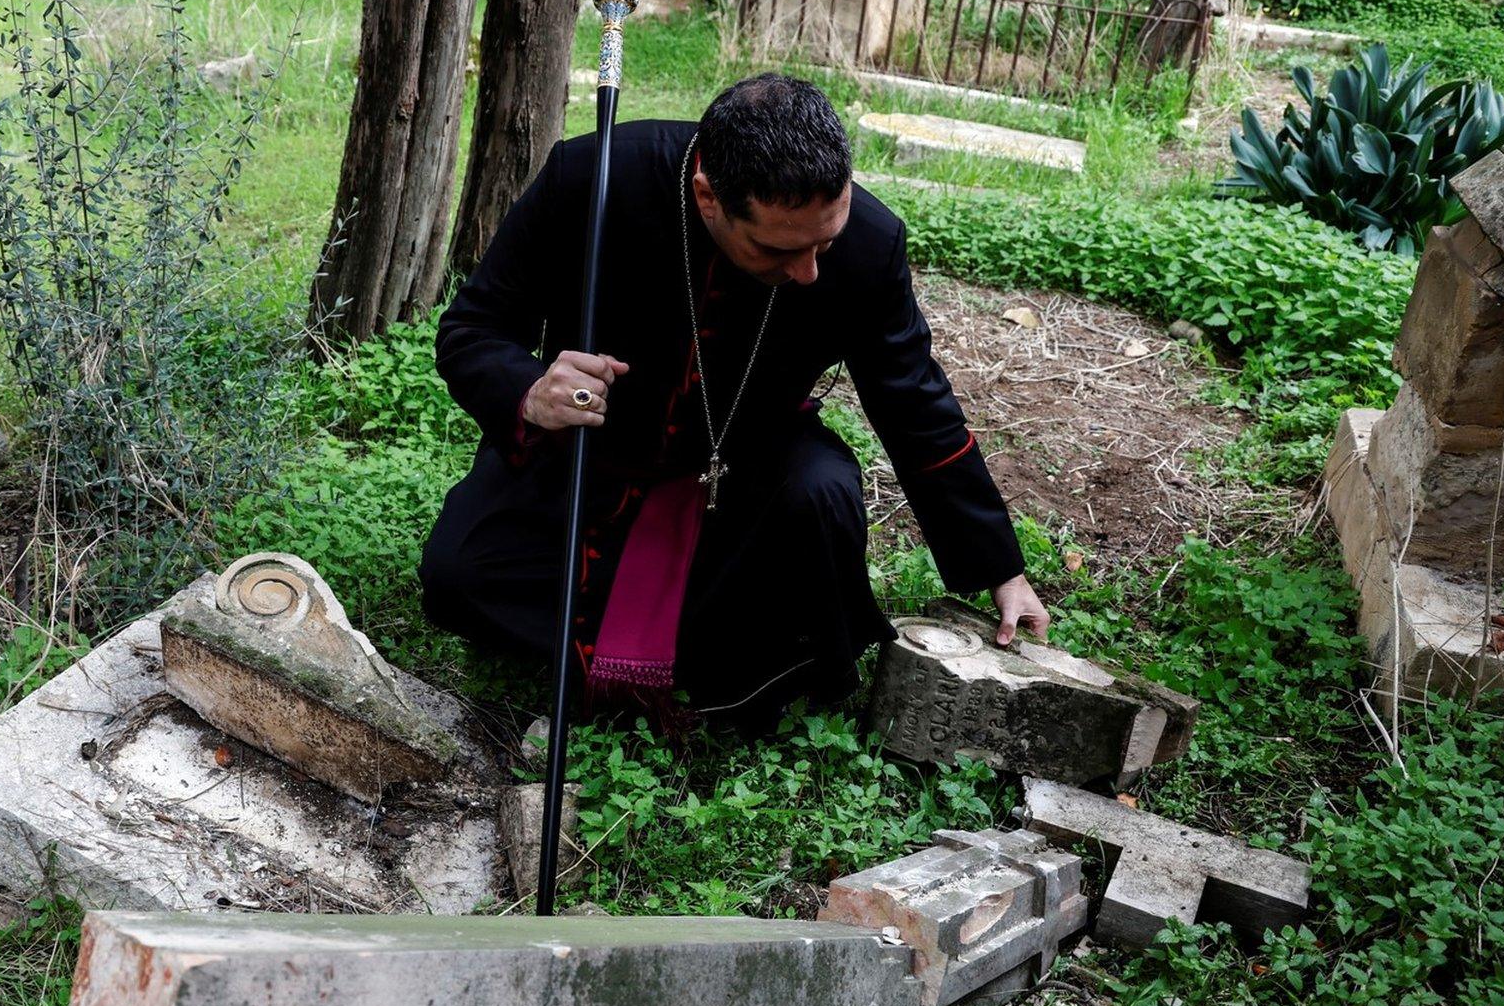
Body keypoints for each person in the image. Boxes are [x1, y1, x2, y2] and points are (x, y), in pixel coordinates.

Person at [417, 72, 1048, 728]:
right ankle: (693, 653)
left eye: (824, 241)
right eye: (781, 248)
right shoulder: (594, 176)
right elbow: (473, 330)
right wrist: (530, 392)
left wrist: (1000, 569)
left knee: (822, 494)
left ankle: (719, 657)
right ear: (708, 196)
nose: (810, 272)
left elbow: (915, 404)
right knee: (460, 577)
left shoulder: (870, 241)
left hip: (749, 470)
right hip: (595, 455)